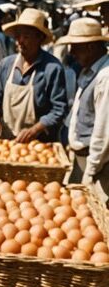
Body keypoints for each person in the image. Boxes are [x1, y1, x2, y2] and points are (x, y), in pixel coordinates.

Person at [0, 8, 68, 143]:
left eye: (26, 36)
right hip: (6, 141)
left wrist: (35, 130)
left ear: (40, 38)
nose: (20, 41)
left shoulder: (52, 68)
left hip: (38, 143)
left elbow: (59, 109)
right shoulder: (6, 64)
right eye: (18, 36)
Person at [58, 17, 109, 183]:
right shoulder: (89, 70)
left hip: (97, 166)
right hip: (82, 158)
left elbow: (103, 130)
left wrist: (92, 170)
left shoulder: (105, 76)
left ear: (91, 47)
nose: (71, 53)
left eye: (75, 47)